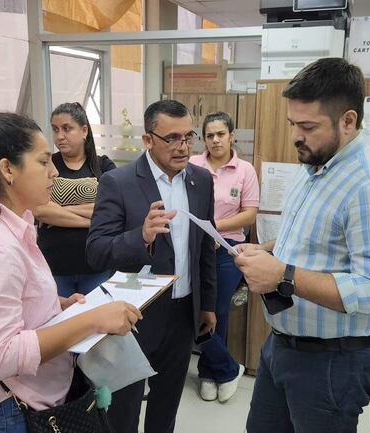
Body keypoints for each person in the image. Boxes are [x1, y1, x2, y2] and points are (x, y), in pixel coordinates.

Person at [0, 110, 141, 433]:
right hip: (8, 413)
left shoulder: (13, 224)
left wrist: (56, 306)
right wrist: (92, 319)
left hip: (34, 400)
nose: (54, 173)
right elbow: (0, 356)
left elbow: (14, 304)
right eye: (43, 161)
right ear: (8, 169)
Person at [233, 58, 370, 433]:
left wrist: (283, 274)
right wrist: (268, 251)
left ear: (348, 121)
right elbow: (308, 241)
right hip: (282, 345)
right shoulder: (313, 165)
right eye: (292, 124)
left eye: (308, 126)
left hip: (332, 362)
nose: (296, 136)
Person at [86, 99, 217, 433]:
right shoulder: (120, 182)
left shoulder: (201, 180)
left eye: (189, 137)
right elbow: (96, 251)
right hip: (134, 316)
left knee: (167, 403)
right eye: (171, 138)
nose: (183, 147)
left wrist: (208, 306)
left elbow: (204, 247)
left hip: (183, 312)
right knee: (125, 409)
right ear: (148, 140)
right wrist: (140, 237)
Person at [189, 111, 258, 403]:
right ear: (203, 139)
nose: (215, 140)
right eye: (209, 135)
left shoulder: (245, 170)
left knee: (218, 309)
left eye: (220, 134)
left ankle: (208, 371)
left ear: (232, 136)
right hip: (195, 246)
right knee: (195, 309)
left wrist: (215, 230)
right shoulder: (193, 165)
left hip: (229, 249)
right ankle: (227, 369)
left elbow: (250, 214)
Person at [35, 102, 117, 297]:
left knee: (98, 324)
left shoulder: (103, 166)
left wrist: (58, 210)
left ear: (84, 131)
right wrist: (91, 221)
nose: (59, 136)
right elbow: (39, 209)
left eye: (66, 128)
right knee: (60, 323)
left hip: (96, 265)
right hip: (54, 266)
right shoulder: (47, 164)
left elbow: (111, 210)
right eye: (55, 130)